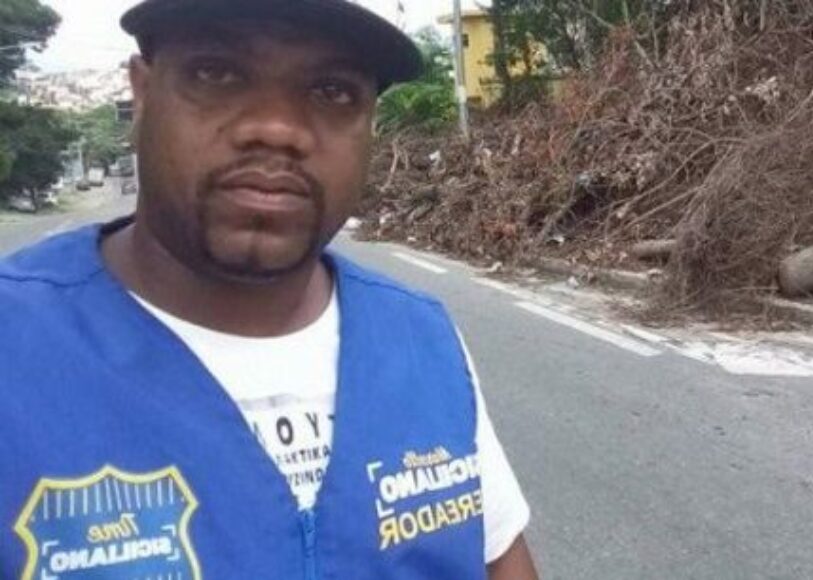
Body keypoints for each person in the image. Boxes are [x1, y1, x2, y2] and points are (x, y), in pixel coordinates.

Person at [0, 1, 539, 578]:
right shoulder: (17, 344)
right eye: (216, 73)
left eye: (332, 91)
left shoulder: (422, 338)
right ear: (142, 93)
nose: (277, 129)